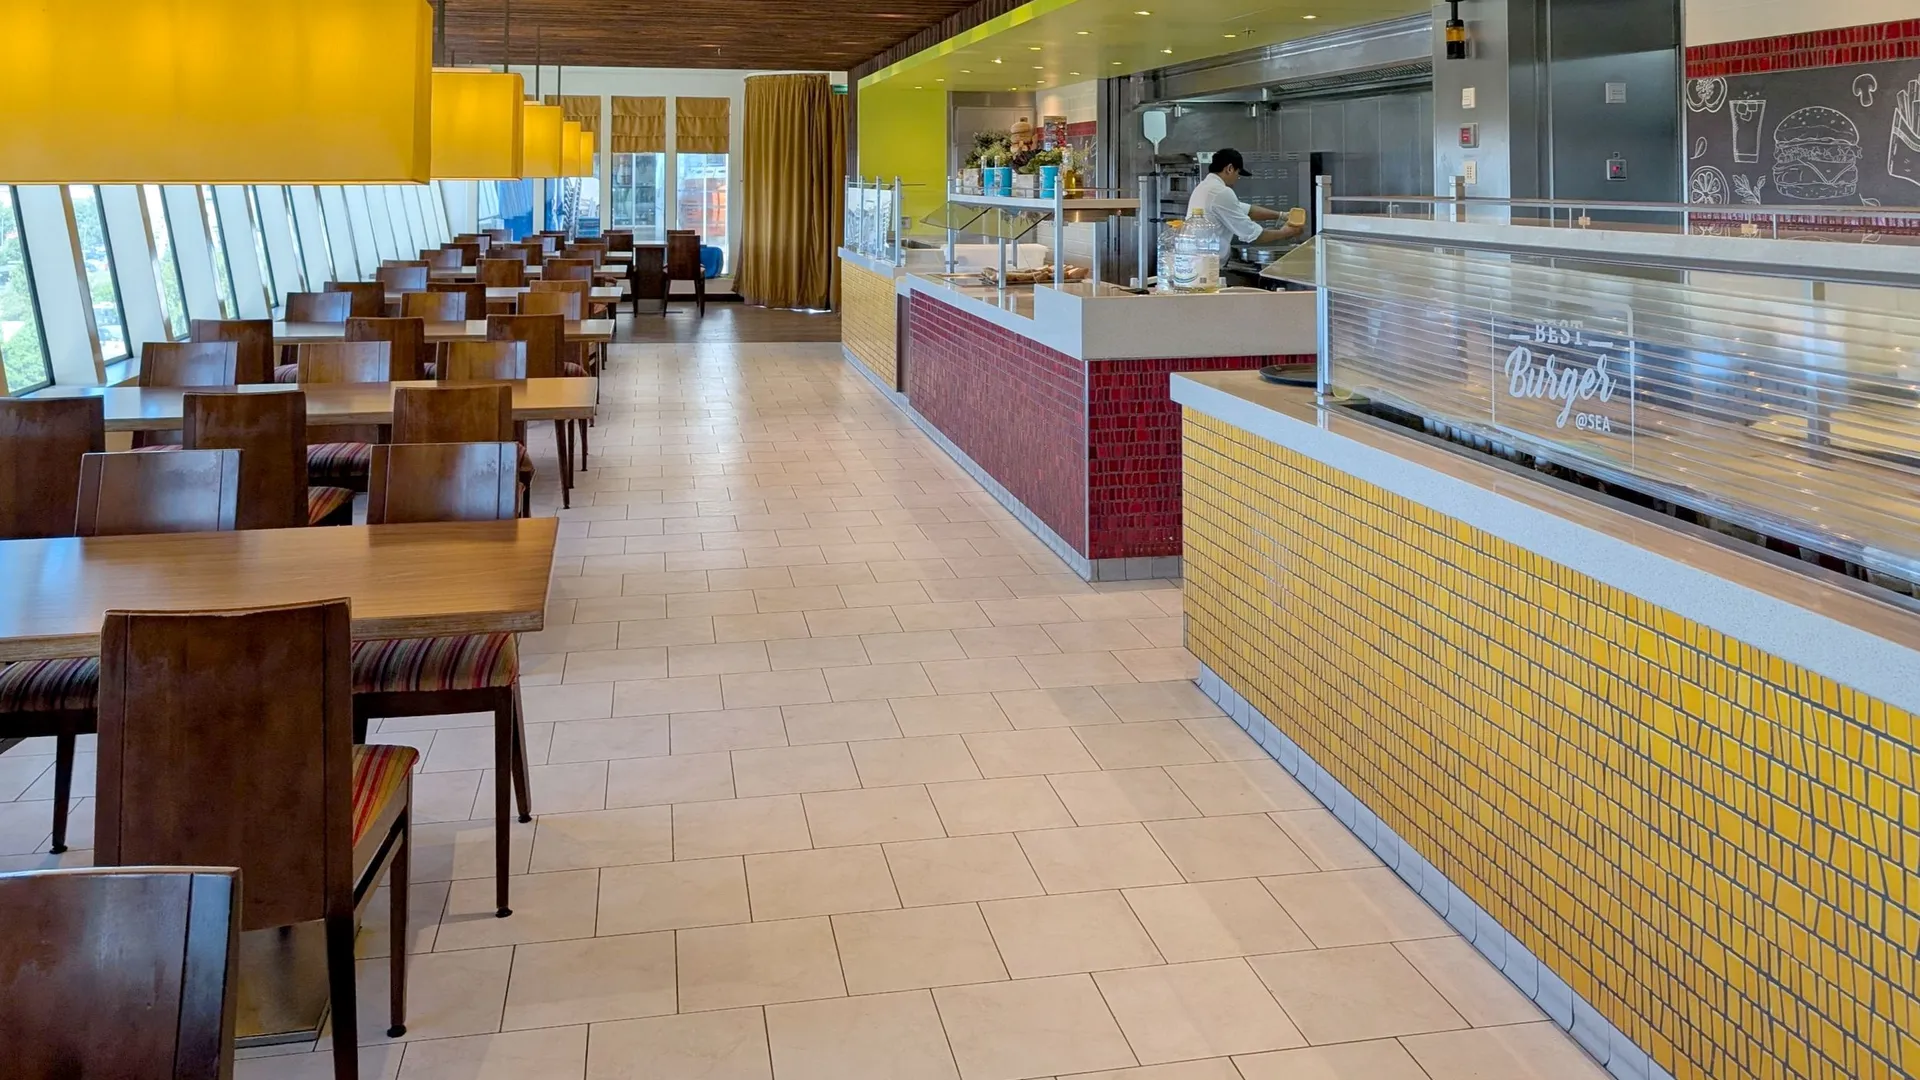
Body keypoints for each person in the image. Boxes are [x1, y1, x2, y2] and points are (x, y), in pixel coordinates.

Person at [1186, 148, 1303, 255]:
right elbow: (1254, 235)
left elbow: (1247, 210)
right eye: (1238, 173)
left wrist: (1282, 215)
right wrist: (1286, 232)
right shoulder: (1221, 192)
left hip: (1197, 260)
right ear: (1230, 169)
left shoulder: (1205, 187)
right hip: (1206, 263)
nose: (1237, 178)